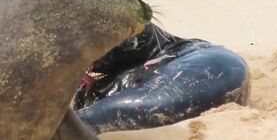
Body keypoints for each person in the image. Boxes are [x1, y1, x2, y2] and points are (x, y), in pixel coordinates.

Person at [73, 23, 250, 133]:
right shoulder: (131, 73)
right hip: (215, 68)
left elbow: (130, 36)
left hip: (209, 62)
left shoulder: (158, 48)